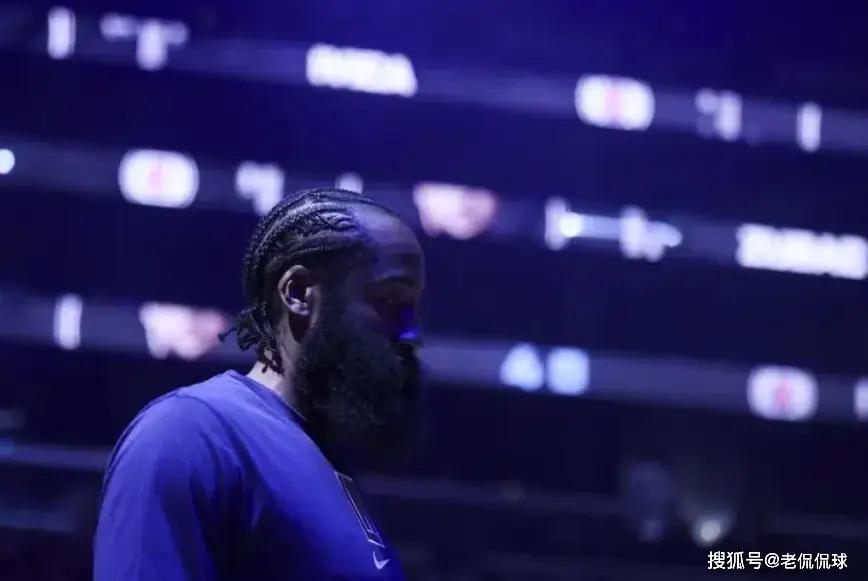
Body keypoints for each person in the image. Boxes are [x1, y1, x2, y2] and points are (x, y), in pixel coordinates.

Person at [94, 188, 425, 580]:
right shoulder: (189, 434)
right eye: (391, 300)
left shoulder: (333, 464)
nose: (411, 332)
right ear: (298, 293)